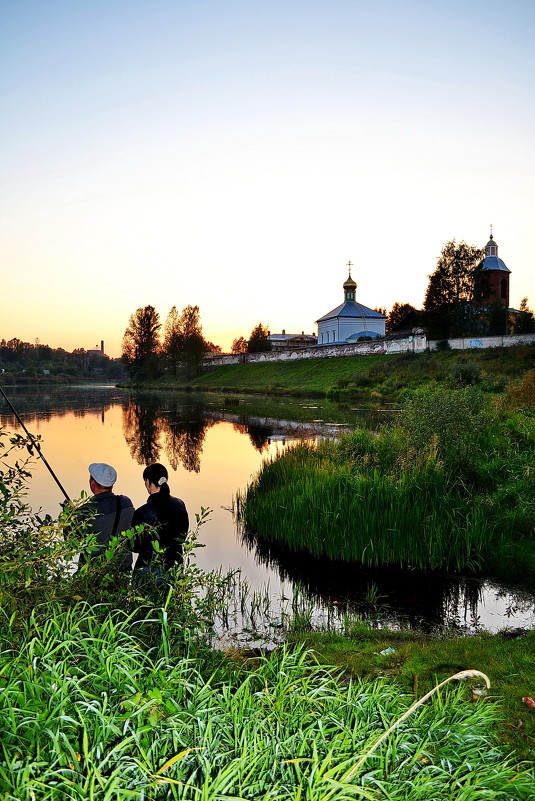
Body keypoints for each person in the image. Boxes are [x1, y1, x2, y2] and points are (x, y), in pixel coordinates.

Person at [131, 463, 189, 578]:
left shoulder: (142, 512)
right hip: (175, 567)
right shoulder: (180, 505)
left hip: (149, 569)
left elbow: (135, 546)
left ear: (147, 482)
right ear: (165, 480)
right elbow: (182, 536)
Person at [76, 462, 134, 571]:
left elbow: (71, 539)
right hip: (121, 569)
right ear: (111, 484)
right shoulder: (125, 503)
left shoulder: (85, 511)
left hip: (92, 573)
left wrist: (70, 516)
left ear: (92, 483)